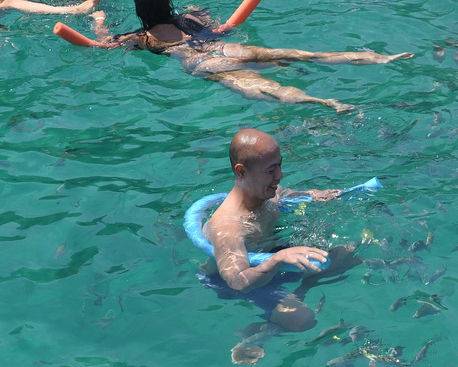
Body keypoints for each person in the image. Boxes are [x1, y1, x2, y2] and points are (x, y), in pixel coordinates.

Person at [89, 0, 412, 112]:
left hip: (204, 63)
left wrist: (99, 22)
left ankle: (325, 103)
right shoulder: (193, 18)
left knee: (260, 86)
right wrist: (193, 13)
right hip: (228, 48)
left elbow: (102, 46)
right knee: (306, 54)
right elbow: (224, 28)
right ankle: (383, 59)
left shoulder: (141, 37)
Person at [197, 128, 360, 341]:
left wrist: (315, 195)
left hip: (269, 258)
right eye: (271, 170)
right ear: (241, 172)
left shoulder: (267, 193)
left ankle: (299, 290)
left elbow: (286, 195)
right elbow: (238, 281)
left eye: (280, 165)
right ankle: (259, 333)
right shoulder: (228, 227)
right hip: (235, 280)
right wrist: (279, 259)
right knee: (303, 319)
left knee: (347, 255)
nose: (280, 175)